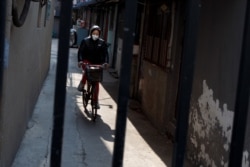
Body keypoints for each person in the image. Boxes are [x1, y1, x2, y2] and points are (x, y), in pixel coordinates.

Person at [77, 25, 109, 109]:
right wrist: (80, 61)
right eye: (94, 33)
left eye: (97, 34)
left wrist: (105, 62)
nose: (95, 35)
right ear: (91, 33)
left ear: (99, 34)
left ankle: (95, 101)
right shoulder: (85, 41)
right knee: (86, 70)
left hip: (97, 63)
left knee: (96, 81)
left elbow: (105, 54)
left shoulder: (102, 43)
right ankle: (82, 83)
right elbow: (80, 52)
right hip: (87, 61)